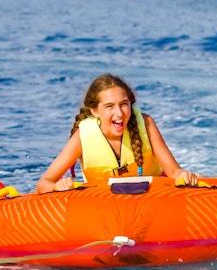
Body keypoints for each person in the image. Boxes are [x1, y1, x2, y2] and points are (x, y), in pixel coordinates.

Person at [36, 74, 200, 193]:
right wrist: (58, 187)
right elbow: (44, 183)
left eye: (123, 104)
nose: (119, 113)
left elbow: (173, 171)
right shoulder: (82, 137)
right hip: (103, 203)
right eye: (109, 106)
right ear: (95, 110)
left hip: (152, 196)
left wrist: (183, 174)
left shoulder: (147, 124)